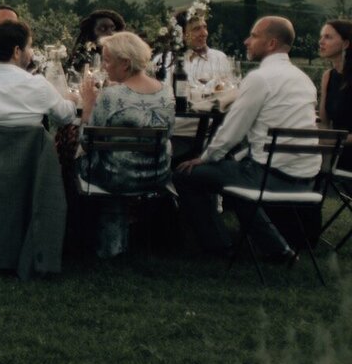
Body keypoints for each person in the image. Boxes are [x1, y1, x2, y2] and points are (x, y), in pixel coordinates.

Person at [174, 17, 319, 262]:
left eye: (253, 35)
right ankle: (277, 249)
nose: (246, 41)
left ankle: (218, 247)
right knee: (236, 172)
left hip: (270, 177)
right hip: (306, 178)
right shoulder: (303, 79)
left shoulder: (260, 78)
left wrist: (206, 158)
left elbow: (233, 130)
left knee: (185, 175)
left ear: (271, 43)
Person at [78, 31, 173, 258]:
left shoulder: (110, 96)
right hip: (156, 175)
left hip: (115, 176)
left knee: (70, 158)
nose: (104, 67)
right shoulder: (167, 91)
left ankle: (78, 234)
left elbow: (87, 141)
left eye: (108, 60)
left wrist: (88, 106)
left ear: (126, 63)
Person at [154, 14, 232, 85]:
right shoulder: (164, 60)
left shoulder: (219, 58)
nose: (204, 33)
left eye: (205, 27)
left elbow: (229, 91)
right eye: (197, 29)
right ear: (182, 35)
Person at [318, 19, 352, 133]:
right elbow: (323, 123)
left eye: (328, 37)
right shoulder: (328, 76)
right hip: (335, 148)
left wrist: (333, 141)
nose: (321, 42)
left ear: (345, 44)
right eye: (321, 36)